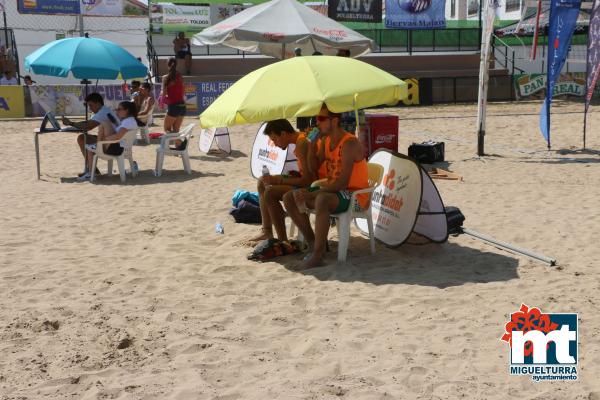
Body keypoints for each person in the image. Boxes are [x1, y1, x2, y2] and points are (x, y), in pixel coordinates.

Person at [283, 105, 369, 269]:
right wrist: (311, 144)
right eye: (317, 119)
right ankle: (313, 243)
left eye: (321, 119)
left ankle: (318, 255)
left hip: (356, 195)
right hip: (335, 191)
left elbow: (343, 183)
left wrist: (311, 195)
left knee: (321, 199)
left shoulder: (349, 143)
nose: (317, 123)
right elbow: (313, 167)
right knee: (290, 197)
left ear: (334, 121)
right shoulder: (326, 141)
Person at [251, 119, 315, 243]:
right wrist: (282, 179)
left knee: (270, 192)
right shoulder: (299, 141)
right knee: (262, 182)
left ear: (284, 134)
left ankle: (282, 240)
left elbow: (308, 180)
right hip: (307, 182)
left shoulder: (301, 144)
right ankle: (267, 231)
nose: (274, 144)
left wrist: (280, 180)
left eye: (275, 139)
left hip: (311, 186)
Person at [78, 101, 141, 181]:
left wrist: (105, 139)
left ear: (126, 111)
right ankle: (98, 144)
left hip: (116, 149)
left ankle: (91, 174)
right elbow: (121, 134)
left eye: (119, 109)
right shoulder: (131, 120)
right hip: (122, 147)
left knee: (89, 148)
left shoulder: (127, 122)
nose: (117, 111)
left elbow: (118, 136)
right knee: (105, 122)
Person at [62, 92, 119, 177]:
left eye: (91, 105)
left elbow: (88, 126)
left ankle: (91, 169)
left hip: (112, 144)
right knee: (83, 138)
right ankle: (92, 169)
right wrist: (75, 124)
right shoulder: (104, 110)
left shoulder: (103, 112)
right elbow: (88, 124)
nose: (90, 108)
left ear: (98, 103)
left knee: (82, 139)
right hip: (113, 141)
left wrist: (71, 123)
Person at [160, 57, 186, 137]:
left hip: (174, 105)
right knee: (176, 130)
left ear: (168, 65)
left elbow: (164, 94)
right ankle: (178, 147)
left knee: (167, 129)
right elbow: (183, 91)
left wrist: (161, 96)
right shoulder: (180, 77)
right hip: (182, 106)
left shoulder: (165, 78)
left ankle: (173, 145)